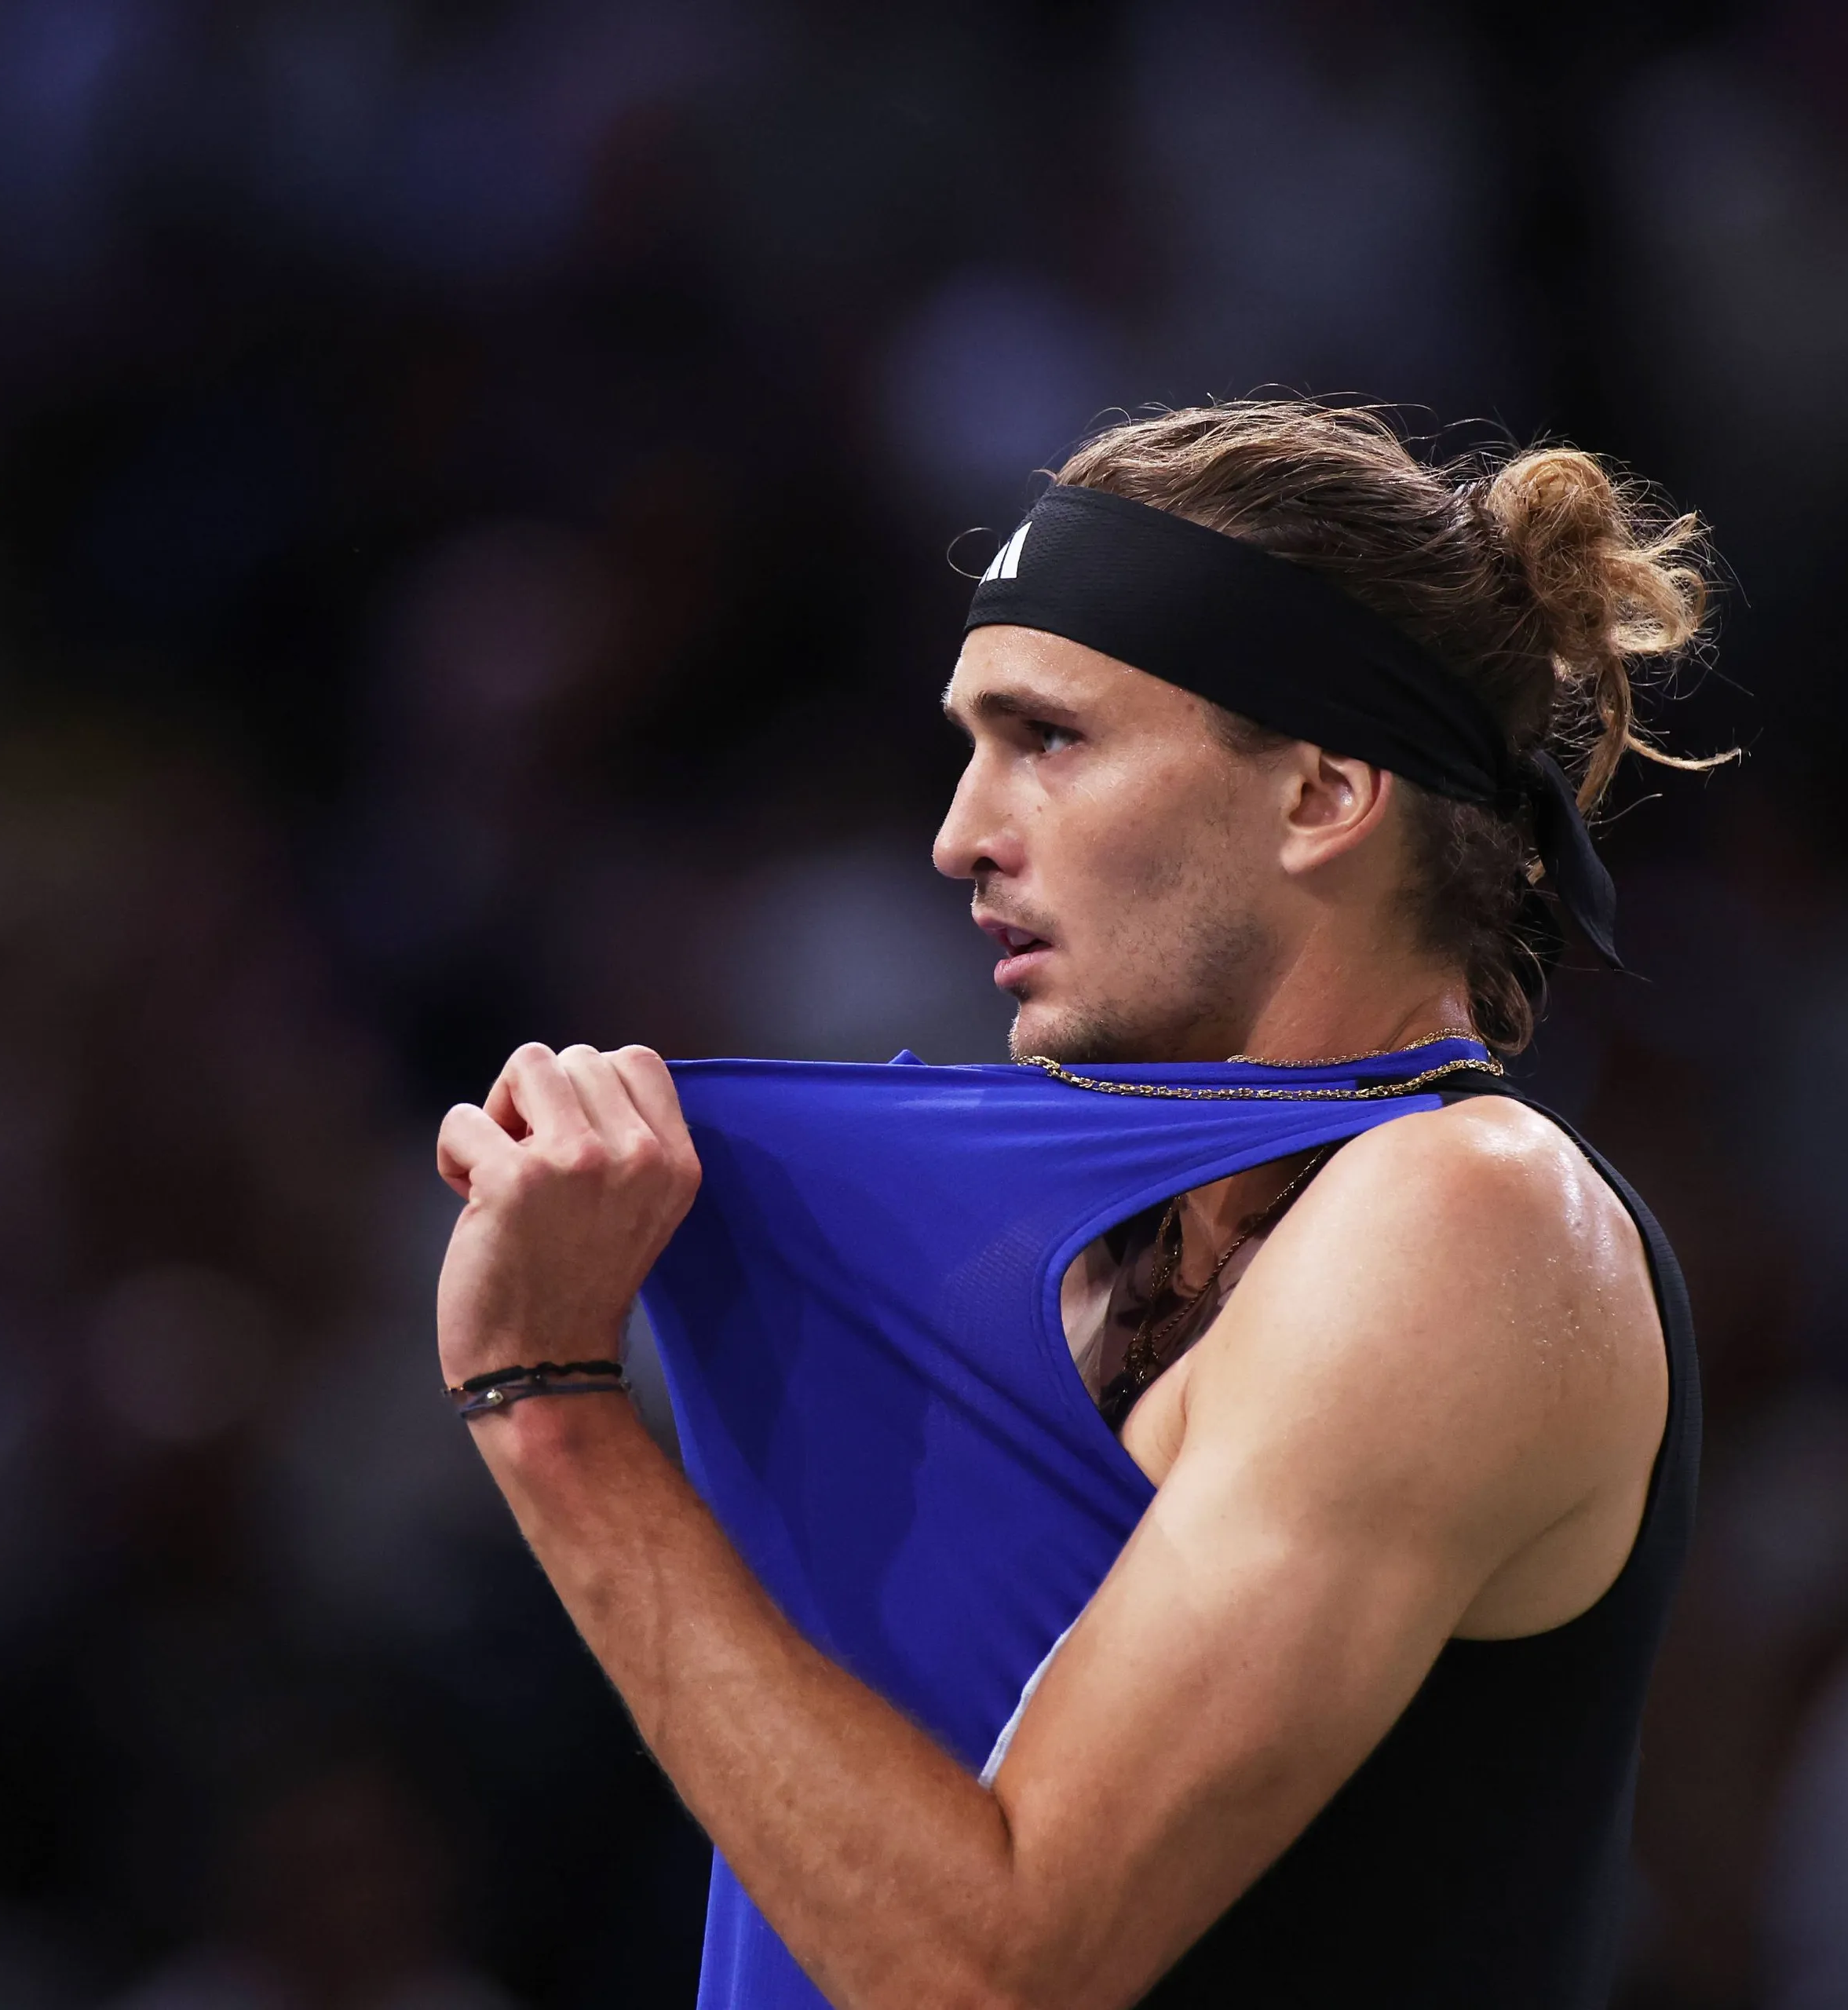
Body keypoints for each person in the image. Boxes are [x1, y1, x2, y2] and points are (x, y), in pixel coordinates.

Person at [428, 401, 1712, 2008]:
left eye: (1047, 739)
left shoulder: (1464, 1214)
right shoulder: (1091, 1249)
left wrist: (552, 1409)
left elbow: (996, 1973)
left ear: (1322, 793)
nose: (959, 836)